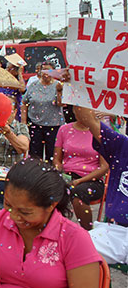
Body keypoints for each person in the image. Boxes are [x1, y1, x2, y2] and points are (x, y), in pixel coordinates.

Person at [0, 158, 101, 288]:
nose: (13, 216)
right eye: (8, 205)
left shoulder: (74, 239)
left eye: (25, 212)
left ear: (51, 205)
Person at [71, 105, 128, 264]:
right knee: (73, 249)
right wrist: (77, 84)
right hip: (114, 231)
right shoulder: (122, 146)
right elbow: (87, 118)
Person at [53, 110, 108, 230]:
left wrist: (80, 181)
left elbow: (104, 167)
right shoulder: (64, 129)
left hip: (91, 178)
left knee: (78, 194)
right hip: (68, 175)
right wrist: (59, 171)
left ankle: (86, 232)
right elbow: (57, 159)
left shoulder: (100, 132)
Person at [22, 61, 64, 160]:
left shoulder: (58, 85)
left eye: (48, 70)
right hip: (35, 124)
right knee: (35, 155)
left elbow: (61, 104)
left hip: (53, 125)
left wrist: (59, 92)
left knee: (51, 155)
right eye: (43, 70)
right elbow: (24, 102)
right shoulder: (33, 85)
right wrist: (23, 122)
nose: (46, 73)